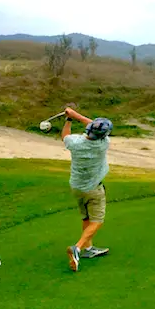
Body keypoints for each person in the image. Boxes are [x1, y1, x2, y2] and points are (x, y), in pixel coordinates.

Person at [61, 106, 113, 272]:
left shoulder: (74, 142)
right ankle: (78, 247)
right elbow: (95, 126)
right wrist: (76, 115)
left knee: (86, 218)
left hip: (76, 187)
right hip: (93, 188)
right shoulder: (103, 144)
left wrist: (69, 119)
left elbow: (65, 136)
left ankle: (89, 249)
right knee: (97, 221)